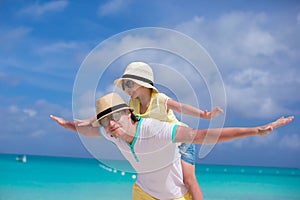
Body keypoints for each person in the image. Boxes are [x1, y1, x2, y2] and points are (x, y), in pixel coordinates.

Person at [50, 92, 294, 200]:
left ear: (128, 112)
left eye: (114, 117)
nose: (110, 124)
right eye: (105, 120)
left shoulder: (157, 130)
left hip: (175, 196)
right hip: (143, 193)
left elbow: (204, 135)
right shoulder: (112, 132)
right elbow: (87, 130)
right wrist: (67, 125)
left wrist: (256, 130)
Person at [114, 61, 223, 199]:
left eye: (128, 84)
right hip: (165, 146)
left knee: (188, 180)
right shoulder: (132, 105)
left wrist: (204, 115)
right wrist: (88, 122)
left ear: (143, 83)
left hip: (182, 142)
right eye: (124, 85)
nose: (126, 89)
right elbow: (111, 113)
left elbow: (180, 107)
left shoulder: (160, 99)